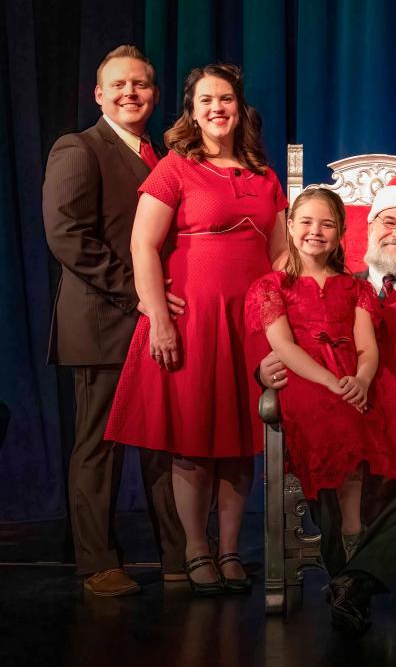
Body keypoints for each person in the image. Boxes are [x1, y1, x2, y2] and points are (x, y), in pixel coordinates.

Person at [258, 174, 396, 635]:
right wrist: (263, 369)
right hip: (346, 407)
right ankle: (351, 578)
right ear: (368, 228)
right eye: (389, 221)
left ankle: (353, 581)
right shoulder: (338, 285)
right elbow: (287, 341)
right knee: (334, 440)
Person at [104, 63, 287, 597]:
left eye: (225, 98)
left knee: (238, 441)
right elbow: (142, 245)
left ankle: (230, 549)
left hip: (248, 321)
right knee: (192, 442)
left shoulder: (264, 175)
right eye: (205, 100)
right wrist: (157, 315)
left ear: (239, 107)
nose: (216, 108)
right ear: (192, 110)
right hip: (193, 318)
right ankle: (194, 548)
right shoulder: (175, 170)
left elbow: (279, 254)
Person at [42, 45, 186, 597]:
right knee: (99, 447)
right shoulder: (78, 148)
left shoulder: (165, 156)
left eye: (142, 85)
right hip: (103, 323)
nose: (131, 93)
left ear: (154, 94)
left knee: (165, 444)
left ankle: (180, 557)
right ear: (98, 94)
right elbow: (67, 237)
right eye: (119, 85)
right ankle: (97, 563)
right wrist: (141, 296)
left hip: (159, 324)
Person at [245, 187, 396, 561]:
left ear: (340, 233)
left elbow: (367, 347)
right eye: (306, 222)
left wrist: (363, 379)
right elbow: (284, 347)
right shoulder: (272, 286)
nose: (315, 231)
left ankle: (355, 531)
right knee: (333, 419)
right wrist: (327, 380)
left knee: (394, 424)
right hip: (308, 380)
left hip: (354, 379)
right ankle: (336, 533)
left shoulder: (355, 288)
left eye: (327, 225)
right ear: (289, 226)